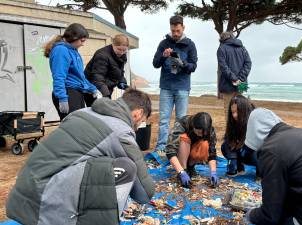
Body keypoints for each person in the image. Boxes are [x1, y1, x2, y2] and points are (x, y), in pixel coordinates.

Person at [6, 88, 155, 225]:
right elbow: (145, 193)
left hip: (23, 197)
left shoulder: (83, 112)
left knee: (101, 162)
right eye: (142, 121)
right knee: (126, 167)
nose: (139, 125)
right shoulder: (121, 130)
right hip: (42, 208)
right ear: (138, 113)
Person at [152, 15, 198, 152]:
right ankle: (161, 148)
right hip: (166, 86)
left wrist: (183, 63)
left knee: (181, 121)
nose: (175, 34)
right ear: (170, 28)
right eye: (173, 31)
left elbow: (193, 67)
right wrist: (163, 56)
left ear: (183, 28)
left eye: (178, 31)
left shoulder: (190, 44)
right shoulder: (163, 43)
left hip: (182, 88)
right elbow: (155, 63)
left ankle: (176, 147)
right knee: (164, 120)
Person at [44, 23, 101, 120]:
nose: (83, 44)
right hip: (67, 93)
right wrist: (62, 98)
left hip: (76, 93)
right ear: (73, 37)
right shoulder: (61, 50)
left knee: (79, 126)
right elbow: (59, 76)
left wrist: (93, 89)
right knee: (73, 127)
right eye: (82, 41)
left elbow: (80, 77)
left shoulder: (73, 51)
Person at [165, 112, 219, 188]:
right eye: (199, 132)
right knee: (184, 138)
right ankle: (184, 169)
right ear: (193, 126)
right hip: (181, 152)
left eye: (204, 133)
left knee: (205, 143)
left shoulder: (210, 130)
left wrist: (213, 172)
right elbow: (170, 151)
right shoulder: (182, 123)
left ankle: (190, 167)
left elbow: (212, 153)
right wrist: (181, 172)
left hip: (193, 153)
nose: (201, 135)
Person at [85, 34, 130, 104]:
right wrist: (106, 95)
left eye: (124, 50)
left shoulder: (122, 56)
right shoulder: (102, 55)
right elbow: (97, 78)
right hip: (94, 91)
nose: (121, 52)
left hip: (106, 89)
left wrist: (122, 82)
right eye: (119, 49)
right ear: (113, 45)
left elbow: (120, 71)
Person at [217, 31, 252, 121]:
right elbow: (248, 63)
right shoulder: (242, 48)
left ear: (222, 40)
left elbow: (224, 67)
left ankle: (230, 133)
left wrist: (235, 79)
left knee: (229, 111)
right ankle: (241, 133)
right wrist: (241, 78)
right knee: (241, 111)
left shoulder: (221, 48)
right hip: (241, 84)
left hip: (227, 85)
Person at [221, 95, 257, 176]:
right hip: (241, 150)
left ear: (244, 110)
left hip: (254, 152)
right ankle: (238, 168)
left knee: (257, 153)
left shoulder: (254, 121)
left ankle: (260, 172)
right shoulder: (232, 122)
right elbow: (228, 139)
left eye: (237, 112)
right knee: (225, 145)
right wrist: (232, 158)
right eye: (232, 112)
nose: (234, 115)